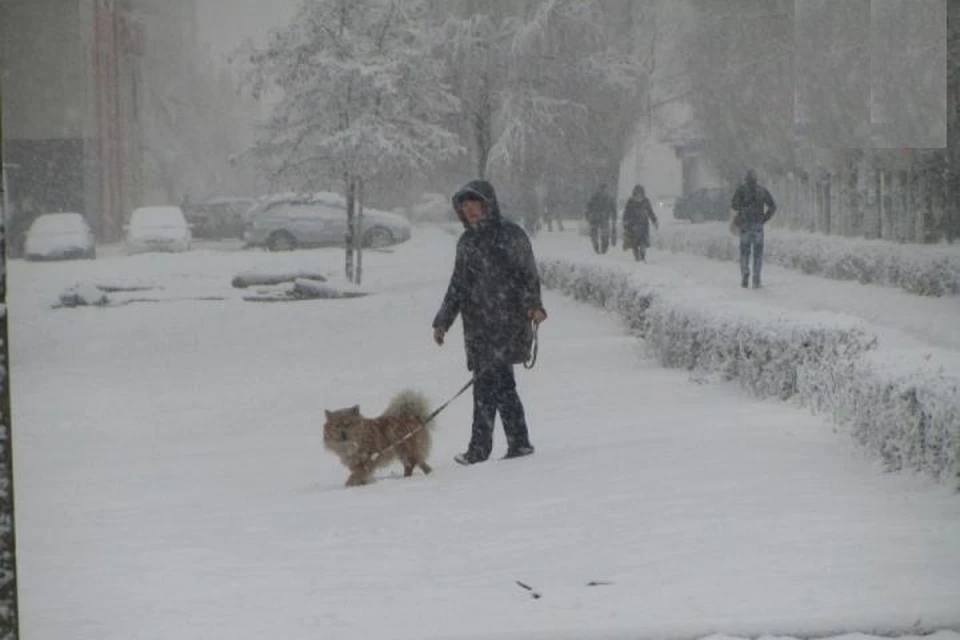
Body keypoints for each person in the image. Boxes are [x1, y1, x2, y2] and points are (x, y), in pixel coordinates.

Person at [432, 179, 548, 465]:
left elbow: (527, 274)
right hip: (478, 326)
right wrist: (443, 320)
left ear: (488, 205)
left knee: (492, 383)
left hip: (508, 321)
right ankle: (512, 443)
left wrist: (534, 305)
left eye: (475, 204)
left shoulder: (510, 234)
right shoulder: (467, 242)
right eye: (465, 206)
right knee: (495, 384)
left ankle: (484, 448)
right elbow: (457, 285)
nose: (470, 210)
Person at [730, 169, 777, 288]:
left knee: (744, 252)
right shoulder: (762, 191)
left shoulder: (741, 190)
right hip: (758, 225)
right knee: (758, 253)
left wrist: (742, 208)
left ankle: (745, 273)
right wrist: (764, 218)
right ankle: (756, 278)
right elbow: (772, 206)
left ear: (746, 179)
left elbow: (734, 205)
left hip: (745, 225)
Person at [621, 184, 658, 262]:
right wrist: (625, 222)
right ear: (634, 193)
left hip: (644, 225)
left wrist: (654, 221)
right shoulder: (630, 201)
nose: (639, 195)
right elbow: (626, 213)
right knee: (634, 243)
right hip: (633, 226)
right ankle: (637, 257)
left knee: (643, 242)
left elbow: (650, 212)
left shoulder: (646, 201)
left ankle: (642, 256)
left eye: (640, 193)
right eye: (637, 193)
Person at [584, 183, 617, 254]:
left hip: (598, 217)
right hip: (599, 217)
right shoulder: (607, 197)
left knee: (601, 234)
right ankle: (600, 247)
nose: (603, 191)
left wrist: (587, 214)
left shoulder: (596, 196)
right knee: (600, 233)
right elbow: (589, 206)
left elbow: (589, 206)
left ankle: (601, 247)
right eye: (603, 189)